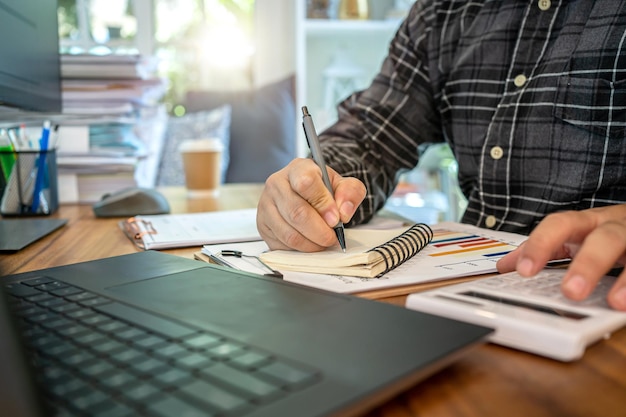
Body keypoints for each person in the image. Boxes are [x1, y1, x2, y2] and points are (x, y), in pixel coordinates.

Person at [256, 1, 626, 310]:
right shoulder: (442, 9)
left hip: (599, 300)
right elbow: (372, 137)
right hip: (462, 298)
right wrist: (317, 188)